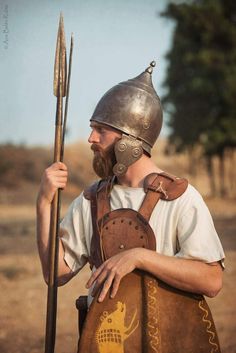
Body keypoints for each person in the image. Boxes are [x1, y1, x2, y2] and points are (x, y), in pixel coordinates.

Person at [37, 62, 225, 353]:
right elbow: (55, 274)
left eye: (100, 130)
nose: (91, 139)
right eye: (92, 129)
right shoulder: (91, 201)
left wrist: (139, 257)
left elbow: (211, 280)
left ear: (130, 140)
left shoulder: (180, 197)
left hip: (172, 341)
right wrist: (44, 204)